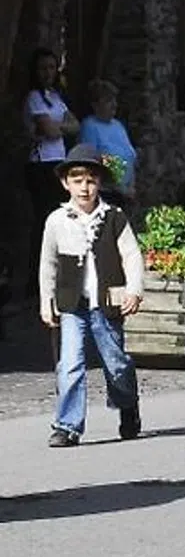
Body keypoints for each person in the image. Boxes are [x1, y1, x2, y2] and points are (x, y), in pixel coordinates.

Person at [39, 143, 145, 447]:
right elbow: (48, 263)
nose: (84, 188)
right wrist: (47, 301)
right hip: (72, 306)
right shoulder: (56, 221)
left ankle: (128, 405)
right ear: (66, 183)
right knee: (70, 364)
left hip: (107, 305)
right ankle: (67, 425)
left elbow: (131, 256)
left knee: (116, 364)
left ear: (99, 183)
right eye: (77, 181)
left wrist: (134, 290)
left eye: (91, 181)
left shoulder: (114, 217)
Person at [23, 49, 80, 308]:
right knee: (44, 221)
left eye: (51, 67)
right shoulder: (34, 98)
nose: (48, 73)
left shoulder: (55, 97)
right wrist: (57, 128)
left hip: (58, 161)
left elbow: (73, 125)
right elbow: (49, 130)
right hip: (40, 164)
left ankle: (59, 276)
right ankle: (36, 282)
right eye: (43, 68)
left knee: (61, 219)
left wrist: (59, 128)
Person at [77, 79, 138, 211]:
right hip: (105, 194)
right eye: (109, 101)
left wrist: (130, 187)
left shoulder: (118, 125)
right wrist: (119, 189)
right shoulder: (89, 126)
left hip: (125, 194)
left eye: (115, 100)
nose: (114, 105)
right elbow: (92, 161)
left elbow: (130, 155)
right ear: (95, 105)